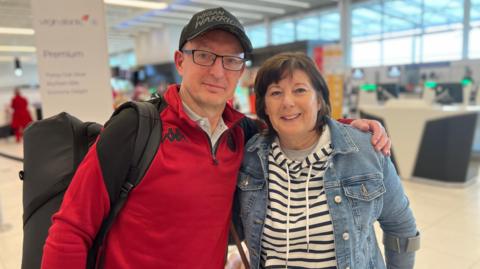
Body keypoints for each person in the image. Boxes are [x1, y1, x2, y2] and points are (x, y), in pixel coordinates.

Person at [41, 7, 391, 269]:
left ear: (241, 71)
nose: (217, 70)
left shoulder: (244, 135)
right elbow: (72, 227)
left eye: (231, 60)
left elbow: (295, 124)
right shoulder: (136, 127)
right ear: (180, 61)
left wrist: (346, 126)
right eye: (204, 55)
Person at [234, 52, 420, 269]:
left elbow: (401, 227)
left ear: (319, 99)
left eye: (300, 90)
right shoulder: (250, 157)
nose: (287, 102)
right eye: (276, 93)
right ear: (264, 106)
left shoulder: (365, 151)